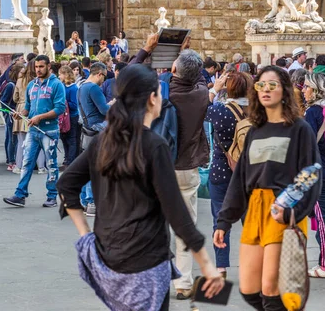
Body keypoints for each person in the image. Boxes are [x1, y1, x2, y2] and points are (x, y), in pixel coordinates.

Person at [57, 64, 224, 311]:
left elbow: (66, 183)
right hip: (145, 258)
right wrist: (207, 265)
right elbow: (177, 213)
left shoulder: (104, 141)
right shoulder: (154, 145)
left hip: (108, 256)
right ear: (151, 99)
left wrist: (86, 236)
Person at [214, 65, 321, 311]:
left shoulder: (299, 128)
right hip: (255, 210)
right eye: (261, 85)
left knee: (272, 291)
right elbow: (240, 179)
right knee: (250, 289)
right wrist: (224, 221)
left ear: (284, 90)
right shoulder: (255, 131)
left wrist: (292, 211)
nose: (265, 90)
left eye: (272, 84)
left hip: (282, 209)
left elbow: (311, 173)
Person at [169, 49, 210, 300]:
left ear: (174, 70)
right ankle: (183, 283)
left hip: (161, 168)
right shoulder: (201, 93)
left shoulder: (165, 93)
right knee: (186, 226)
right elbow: (201, 78)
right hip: (188, 167)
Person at [206, 72, 253, 280]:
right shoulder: (256, 111)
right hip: (249, 173)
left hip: (221, 170)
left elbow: (202, 109)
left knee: (220, 219)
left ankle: (221, 267)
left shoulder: (219, 110)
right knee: (250, 221)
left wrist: (215, 89)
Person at [3, 55, 66, 208]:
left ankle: (51, 196)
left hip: (49, 131)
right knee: (27, 163)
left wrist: (40, 117)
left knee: (51, 164)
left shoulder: (57, 85)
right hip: (32, 131)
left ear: (48, 66)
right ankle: (20, 194)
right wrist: (21, 114)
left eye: (41, 67)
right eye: (36, 67)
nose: (38, 70)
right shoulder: (31, 85)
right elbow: (28, 107)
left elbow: (60, 108)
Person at [303, 73, 325, 278]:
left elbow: (307, 146)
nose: (303, 90)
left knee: (323, 219)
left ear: (315, 90)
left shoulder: (313, 113)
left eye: (306, 86)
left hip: (321, 171)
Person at [77, 62, 114, 215]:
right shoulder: (93, 88)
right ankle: (92, 202)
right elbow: (104, 110)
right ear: (99, 73)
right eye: (104, 77)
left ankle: (86, 201)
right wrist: (113, 103)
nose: (104, 81)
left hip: (86, 129)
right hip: (98, 128)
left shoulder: (81, 87)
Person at [1, 62, 25, 171]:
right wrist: (9, 111)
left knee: (13, 137)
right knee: (12, 138)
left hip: (16, 114)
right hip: (11, 114)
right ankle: (11, 160)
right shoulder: (11, 85)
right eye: (21, 73)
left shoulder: (18, 84)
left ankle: (12, 159)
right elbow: (3, 102)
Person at [12, 60, 35, 174]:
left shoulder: (20, 80)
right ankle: (40, 166)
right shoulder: (36, 81)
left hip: (21, 107)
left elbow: (15, 98)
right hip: (33, 109)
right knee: (36, 140)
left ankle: (19, 166)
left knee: (21, 141)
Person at [58, 66, 79, 167]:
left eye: (60, 74)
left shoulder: (73, 88)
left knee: (71, 138)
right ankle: (67, 158)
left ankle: (71, 160)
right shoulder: (62, 86)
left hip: (71, 117)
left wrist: (63, 103)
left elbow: (74, 105)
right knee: (64, 137)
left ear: (65, 75)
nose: (59, 76)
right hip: (63, 117)